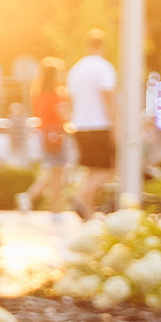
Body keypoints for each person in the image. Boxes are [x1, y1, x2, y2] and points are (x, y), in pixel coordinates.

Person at [67, 31, 118, 218]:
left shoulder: (76, 69)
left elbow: (70, 100)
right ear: (102, 46)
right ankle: (79, 197)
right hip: (100, 124)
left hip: (79, 125)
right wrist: (115, 124)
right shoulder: (104, 67)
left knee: (91, 170)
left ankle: (87, 215)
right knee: (110, 169)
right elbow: (108, 97)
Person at [22, 56, 68, 214]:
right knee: (58, 174)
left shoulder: (37, 94)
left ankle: (29, 197)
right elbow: (63, 115)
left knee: (52, 172)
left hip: (44, 133)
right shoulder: (56, 96)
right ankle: (54, 209)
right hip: (56, 134)